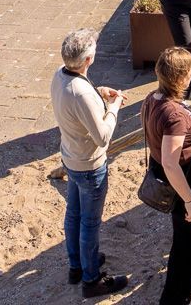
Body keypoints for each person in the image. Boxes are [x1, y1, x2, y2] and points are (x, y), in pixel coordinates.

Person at [50, 28, 129, 297]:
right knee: (90, 223)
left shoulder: (61, 75)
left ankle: (77, 265)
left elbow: (80, 94)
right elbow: (103, 137)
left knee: (73, 213)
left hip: (70, 157)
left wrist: (99, 93)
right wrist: (115, 105)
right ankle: (91, 279)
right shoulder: (80, 93)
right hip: (89, 164)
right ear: (88, 60)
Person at [143, 48, 191, 305]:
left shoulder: (152, 98)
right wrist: (190, 201)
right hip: (186, 182)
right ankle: (178, 297)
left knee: (186, 238)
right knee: (187, 244)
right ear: (181, 78)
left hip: (182, 173)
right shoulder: (175, 116)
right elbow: (172, 163)